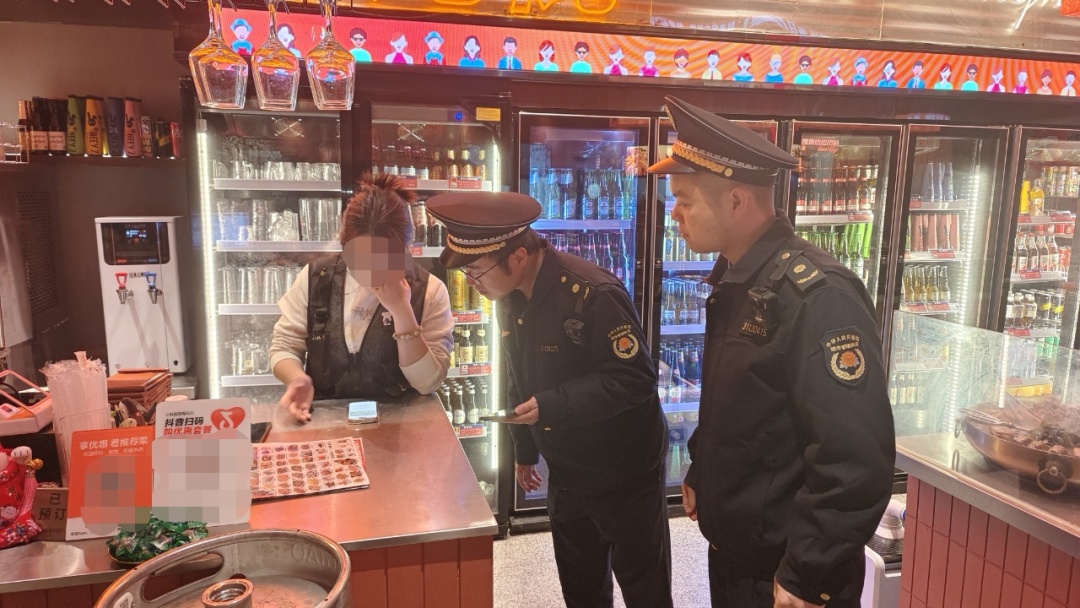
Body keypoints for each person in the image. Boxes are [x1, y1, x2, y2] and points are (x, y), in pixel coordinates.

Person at [646, 96, 895, 608]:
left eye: (684, 200)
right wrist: (701, 469)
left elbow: (855, 458)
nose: (674, 214)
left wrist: (807, 571)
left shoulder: (818, 296)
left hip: (786, 573)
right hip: (738, 553)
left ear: (736, 202)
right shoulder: (740, 279)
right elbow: (742, 406)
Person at [425, 192, 673, 608]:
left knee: (644, 588)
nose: (471, 282)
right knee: (581, 587)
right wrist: (524, 451)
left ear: (519, 256)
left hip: (624, 471)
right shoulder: (508, 298)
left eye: (477, 270)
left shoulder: (593, 292)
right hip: (567, 469)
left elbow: (635, 378)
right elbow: (517, 375)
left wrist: (554, 404)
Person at [271, 174, 453, 422]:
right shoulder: (315, 277)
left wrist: (401, 310)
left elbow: (427, 383)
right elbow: (285, 344)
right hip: (326, 422)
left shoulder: (430, 290)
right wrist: (296, 378)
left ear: (406, 248)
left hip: (403, 424)